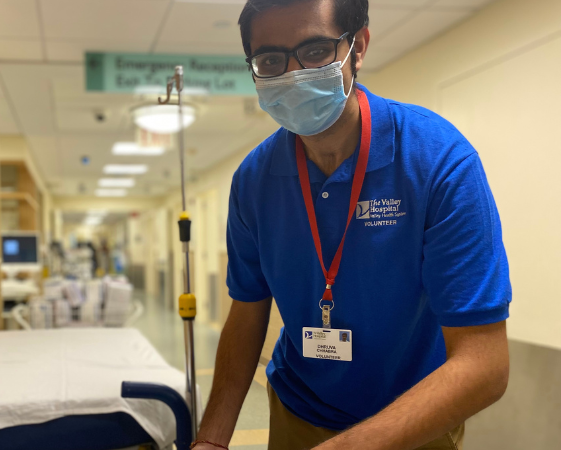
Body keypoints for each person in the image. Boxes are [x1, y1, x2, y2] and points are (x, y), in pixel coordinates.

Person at [190, 1, 511, 450]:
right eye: (270, 60)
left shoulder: (437, 161)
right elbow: (248, 309)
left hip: (414, 422)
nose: (294, 72)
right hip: (297, 410)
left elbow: (485, 362)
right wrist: (212, 439)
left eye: (316, 50)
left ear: (357, 46)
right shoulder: (254, 180)